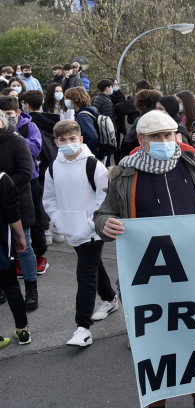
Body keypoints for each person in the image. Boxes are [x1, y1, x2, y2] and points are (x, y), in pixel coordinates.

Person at [93, 110, 195, 408]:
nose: (164, 141)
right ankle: (158, 399)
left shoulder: (194, 167)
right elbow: (103, 214)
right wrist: (105, 224)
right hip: (150, 279)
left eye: (168, 135)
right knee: (156, 346)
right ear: (141, 141)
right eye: (156, 136)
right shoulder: (124, 176)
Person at [42, 119, 117, 347]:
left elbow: (104, 197)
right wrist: (60, 221)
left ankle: (82, 328)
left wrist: (90, 222)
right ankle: (109, 298)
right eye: (63, 140)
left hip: (92, 231)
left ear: (80, 139)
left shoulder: (94, 165)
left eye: (72, 139)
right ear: (56, 142)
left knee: (85, 274)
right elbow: (49, 199)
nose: (68, 143)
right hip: (71, 230)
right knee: (94, 266)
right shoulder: (53, 168)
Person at [0, 99, 41, 311]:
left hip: (17, 201)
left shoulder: (17, 142)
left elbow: (25, 174)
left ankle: (31, 289)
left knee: (23, 246)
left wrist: (3, 187)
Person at [0, 131, 31, 348]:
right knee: (11, 285)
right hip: (2, 242)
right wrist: (20, 236)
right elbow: (12, 213)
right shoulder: (3, 179)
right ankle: (22, 331)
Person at [64, 87, 100, 156]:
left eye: (67, 99)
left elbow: (92, 137)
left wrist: (85, 153)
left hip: (90, 154)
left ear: (73, 100)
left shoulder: (82, 116)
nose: (65, 101)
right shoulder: (90, 111)